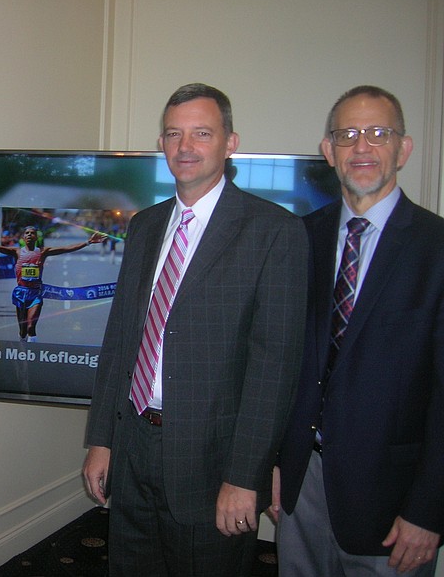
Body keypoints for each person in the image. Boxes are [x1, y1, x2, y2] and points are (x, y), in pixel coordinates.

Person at [82, 83, 308, 576]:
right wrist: (102, 440)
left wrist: (244, 477)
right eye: (173, 134)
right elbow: (121, 341)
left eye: (201, 133)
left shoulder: (274, 232)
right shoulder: (144, 226)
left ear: (230, 142)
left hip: (213, 461)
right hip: (134, 444)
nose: (185, 147)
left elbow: (275, 368)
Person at [273, 86, 444, 576]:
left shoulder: (437, 250)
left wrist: (428, 511)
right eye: (347, 135)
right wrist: (274, 463)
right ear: (329, 151)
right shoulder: (300, 238)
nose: (362, 147)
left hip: (393, 505)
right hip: (301, 487)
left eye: (378, 133)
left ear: (403, 149)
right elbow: (283, 363)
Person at [0, 225, 105, 342]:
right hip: (21, 292)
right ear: (23, 237)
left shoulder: (43, 252)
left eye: (32, 233)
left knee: (31, 327)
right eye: (27, 233)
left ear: (36, 237)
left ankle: (33, 351)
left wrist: (88, 242)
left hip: (35, 294)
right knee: (22, 331)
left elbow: (67, 248)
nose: (29, 235)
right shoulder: (16, 252)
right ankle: (23, 345)